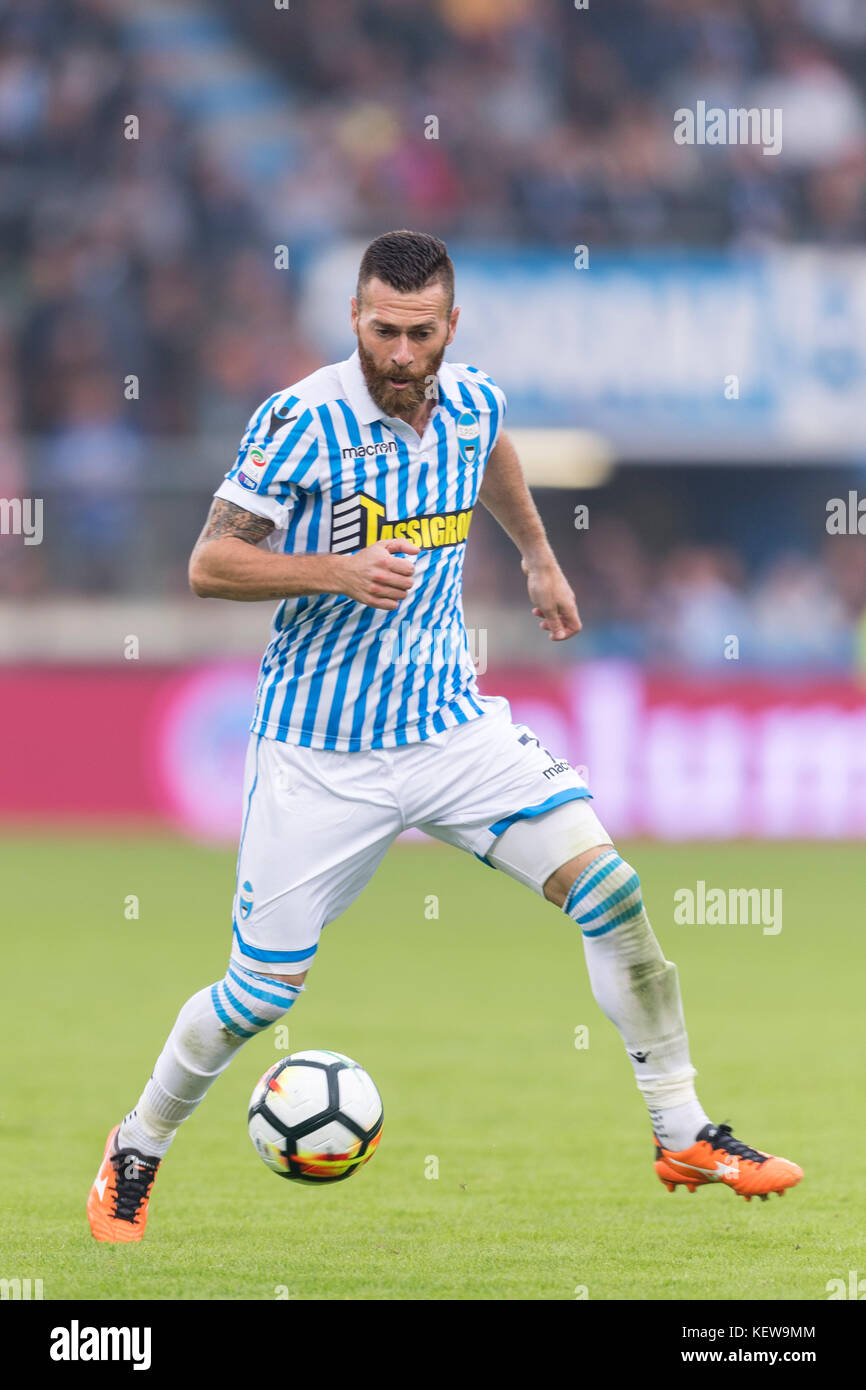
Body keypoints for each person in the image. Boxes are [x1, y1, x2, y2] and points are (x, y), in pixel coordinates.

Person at [87, 230, 802, 1241]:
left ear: (449, 328)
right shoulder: (299, 420)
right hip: (322, 752)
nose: (399, 351)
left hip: (450, 728)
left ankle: (681, 1127)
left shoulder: (470, 399)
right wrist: (336, 571)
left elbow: (492, 455)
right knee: (256, 993)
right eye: (381, 328)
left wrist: (539, 561)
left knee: (612, 892)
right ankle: (137, 1144)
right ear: (354, 319)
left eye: (419, 332)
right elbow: (209, 562)